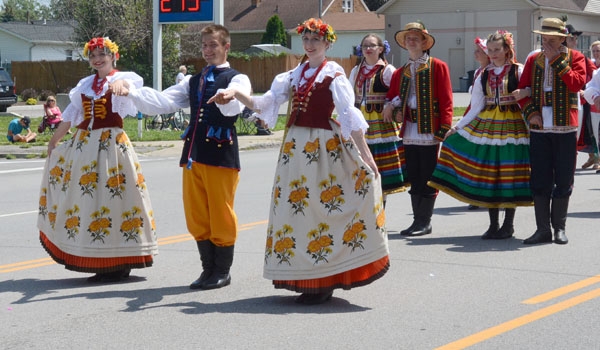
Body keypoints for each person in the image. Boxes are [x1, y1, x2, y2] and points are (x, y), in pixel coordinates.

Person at [209, 18, 389, 305]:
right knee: (298, 212)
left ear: (327, 43)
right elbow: (263, 104)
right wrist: (235, 94)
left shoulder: (335, 77)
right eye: (306, 39)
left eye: (315, 40)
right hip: (294, 150)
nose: (309, 44)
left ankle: (326, 279)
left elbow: (349, 119)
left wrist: (366, 156)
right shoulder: (292, 76)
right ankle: (307, 277)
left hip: (324, 149)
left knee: (323, 210)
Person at [113, 24, 251, 290]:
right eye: (205, 46)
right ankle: (207, 269)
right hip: (194, 153)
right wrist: (130, 89)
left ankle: (222, 270)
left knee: (220, 212)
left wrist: (229, 96)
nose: (208, 50)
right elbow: (163, 102)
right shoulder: (194, 80)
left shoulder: (236, 77)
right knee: (196, 212)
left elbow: (238, 101)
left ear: (226, 47)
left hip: (221, 153)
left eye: (213, 45)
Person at [37, 37, 158, 282]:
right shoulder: (84, 85)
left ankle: (121, 260)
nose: (97, 59)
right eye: (93, 56)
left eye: (102, 54)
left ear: (114, 56)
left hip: (113, 145)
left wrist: (122, 84)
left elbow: (129, 86)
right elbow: (71, 117)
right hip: (85, 146)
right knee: (88, 200)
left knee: (118, 199)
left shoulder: (122, 78)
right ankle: (97, 259)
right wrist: (54, 141)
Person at [428, 30, 533, 240]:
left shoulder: (518, 71)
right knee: (490, 173)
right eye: (490, 50)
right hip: (487, 125)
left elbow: (529, 94)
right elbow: (475, 106)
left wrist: (528, 101)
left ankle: (508, 225)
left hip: (513, 127)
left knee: (508, 173)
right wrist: (457, 128)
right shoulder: (482, 74)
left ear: (507, 49)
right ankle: (493, 224)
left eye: (497, 50)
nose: (493, 54)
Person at [517, 17, 586, 245]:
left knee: (564, 177)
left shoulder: (575, 57)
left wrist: (556, 60)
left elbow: (576, 84)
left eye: (552, 40)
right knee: (540, 177)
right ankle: (542, 229)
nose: (546, 44)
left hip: (565, 125)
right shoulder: (533, 59)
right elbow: (523, 92)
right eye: (544, 39)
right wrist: (531, 113)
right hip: (539, 127)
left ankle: (559, 228)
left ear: (562, 39)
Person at [382, 21, 454, 236]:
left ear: (424, 42)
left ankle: (425, 221)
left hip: (429, 129)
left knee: (428, 174)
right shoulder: (400, 72)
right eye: (408, 38)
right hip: (409, 129)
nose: (411, 41)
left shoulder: (437, 66)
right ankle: (417, 221)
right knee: (413, 174)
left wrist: (444, 127)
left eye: (415, 37)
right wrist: (390, 104)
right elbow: (392, 95)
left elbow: (447, 99)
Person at [348, 33, 405, 203]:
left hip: (381, 124)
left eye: (372, 45)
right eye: (364, 46)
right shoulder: (356, 71)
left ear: (381, 49)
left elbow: (401, 93)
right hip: (361, 122)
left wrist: (390, 105)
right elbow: (349, 96)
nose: (367, 49)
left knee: (381, 166)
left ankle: (381, 207)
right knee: (360, 163)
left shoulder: (387, 70)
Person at [567, 25, 600, 170]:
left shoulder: (580, 58)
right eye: (573, 38)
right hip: (551, 106)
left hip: (577, 103)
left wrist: (586, 91)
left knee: (578, 134)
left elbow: (591, 81)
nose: (576, 41)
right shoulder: (540, 57)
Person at [465, 36, 491, 211]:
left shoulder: (491, 72)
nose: (475, 53)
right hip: (476, 118)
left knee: (487, 158)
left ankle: (488, 195)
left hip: (490, 120)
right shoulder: (477, 73)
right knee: (475, 158)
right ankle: (476, 194)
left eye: (479, 51)